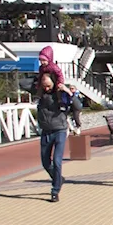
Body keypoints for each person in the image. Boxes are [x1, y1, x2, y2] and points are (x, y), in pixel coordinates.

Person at [37, 73, 68, 203]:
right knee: (45, 162)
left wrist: (66, 91)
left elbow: (76, 105)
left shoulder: (59, 95)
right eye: (44, 86)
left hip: (59, 129)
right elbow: (24, 83)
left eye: (48, 85)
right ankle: (58, 178)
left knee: (57, 160)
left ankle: (55, 190)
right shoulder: (40, 95)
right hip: (46, 131)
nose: (46, 88)